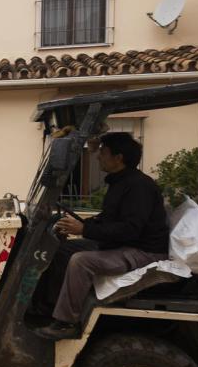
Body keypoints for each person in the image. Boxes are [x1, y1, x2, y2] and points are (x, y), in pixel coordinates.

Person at [35, 132, 171, 340]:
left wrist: (84, 230)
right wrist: (80, 225)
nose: (98, 157)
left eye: (103, 153)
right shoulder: (120, 182)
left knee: (81, 261)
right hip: (123, 245)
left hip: (143, 251)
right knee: (61, 250)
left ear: (119, 158)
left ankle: (66, 323)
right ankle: (49, 307)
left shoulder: (139, 186)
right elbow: (108, 219)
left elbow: (130, 229)